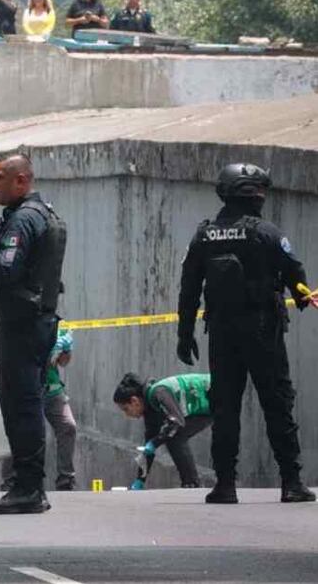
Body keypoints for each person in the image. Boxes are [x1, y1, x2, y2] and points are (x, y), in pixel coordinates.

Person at [176, 163, 315, 504]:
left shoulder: (205, 234)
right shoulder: (265, 232)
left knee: (225, 408)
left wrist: (184, 333)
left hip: (222, 333)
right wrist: (301, 295)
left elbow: (189, 287)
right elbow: (294, 270)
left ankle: (225, 484)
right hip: (263, 330)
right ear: (250, 193)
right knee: (277, 403)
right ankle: (291, 482)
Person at [0, 154, 66, 514]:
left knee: (20, 407)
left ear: (22, 180)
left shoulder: (23, 220)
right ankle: (28, 487)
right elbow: (32, 275)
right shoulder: (41, 214)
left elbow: (7, 271)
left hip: (22, 328)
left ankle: (27, 489)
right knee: (24, 405)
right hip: (34, 322)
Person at [0, 325, 77, 491]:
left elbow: (63, 362)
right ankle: (10, 481)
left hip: (52, 388)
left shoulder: (56, 326)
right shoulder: (23, 323)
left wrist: (66, 348)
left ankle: (66, 478)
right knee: (19, 431)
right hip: (28, 389)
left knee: (68, 426)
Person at [114, 372, 212, 489]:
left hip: (218, 392)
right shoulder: (150, 410)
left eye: (126, 409)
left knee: (175, 435)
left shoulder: (158, 392)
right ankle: (190, 482)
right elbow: (148, 448)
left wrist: (154, 443)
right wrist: (140, 480)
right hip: (208, 407)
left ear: (134, 401)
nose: (127, 415)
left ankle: (191, 484)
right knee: (172, 435)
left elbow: (177, 422)